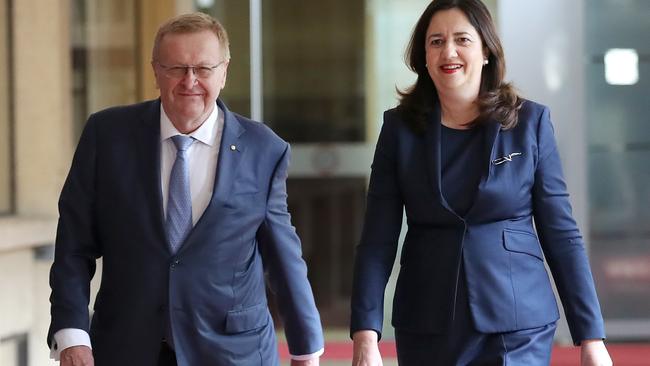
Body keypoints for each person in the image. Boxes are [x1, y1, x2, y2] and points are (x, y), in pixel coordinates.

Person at [47, 12, 323, 366]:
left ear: (224, 71)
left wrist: (306, 348)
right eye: (176, 68)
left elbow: (283, 257)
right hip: (125, 346)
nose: (189, 80)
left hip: (233, 352)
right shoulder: (108, 136)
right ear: (156, 71)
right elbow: (73, 245)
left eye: (203, 69)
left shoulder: (264, 149)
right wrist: (72, 335)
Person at [350, 1, 613, 365]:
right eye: (436, 41)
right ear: (423, 56)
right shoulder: (399, 130)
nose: (449, 51)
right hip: (427, 321)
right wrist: (366, 335)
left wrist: (591, 336)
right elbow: (377, 239)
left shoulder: (529, 123)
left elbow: (561, 233)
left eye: (462, 39)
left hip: (518, 321)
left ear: (486, 50)